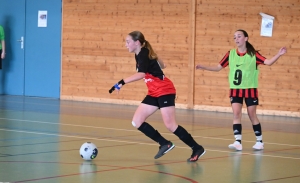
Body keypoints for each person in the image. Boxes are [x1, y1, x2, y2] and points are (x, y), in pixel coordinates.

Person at [109, 31, 206, 162]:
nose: (126, 45)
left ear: (137, 43)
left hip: (164, 90)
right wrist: (154, 57)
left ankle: (197, 148)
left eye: (128, 42)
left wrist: (121, 82)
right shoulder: (141, 54)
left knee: (170, 125)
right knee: (137, 121)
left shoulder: (143, 53)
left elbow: (141, 74)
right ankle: (164, 143)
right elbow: (163, 65)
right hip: (154, 91)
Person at [195, 29, 287, 151]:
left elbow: (268, 62)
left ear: (246, 38)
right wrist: (204, 67)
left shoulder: (253, 54)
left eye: (239, 36)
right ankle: (238, 141)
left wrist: (279, 54)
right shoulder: (230, 54)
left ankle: (259, 141)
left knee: (251, 114)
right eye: (235, 37)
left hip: (250, 89)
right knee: (236, 114)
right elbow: (218, 67)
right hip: (235, 89)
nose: (236, 39)